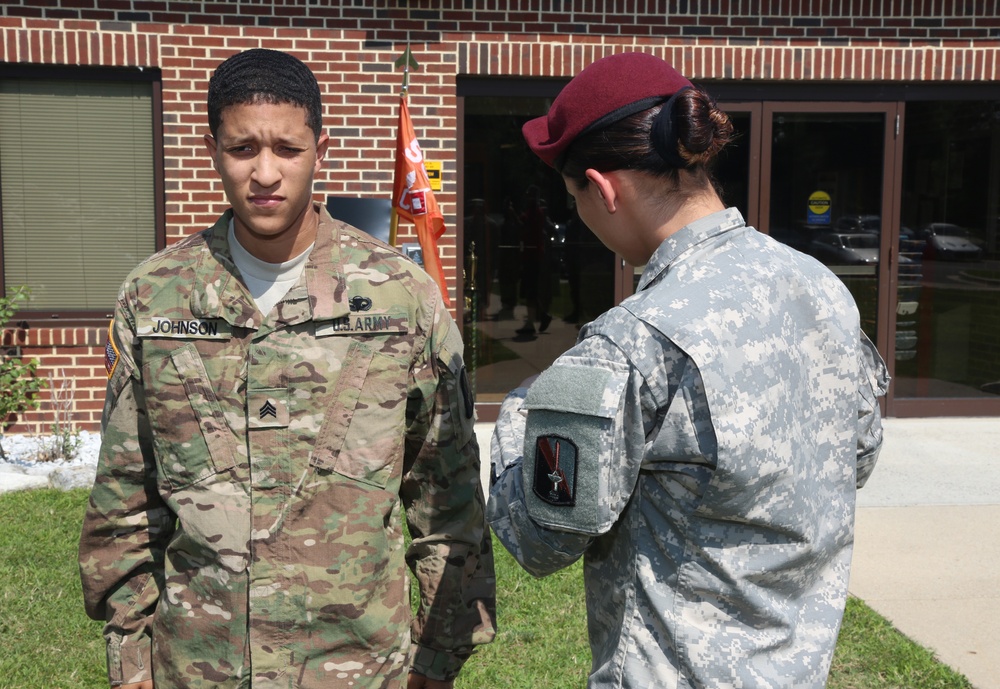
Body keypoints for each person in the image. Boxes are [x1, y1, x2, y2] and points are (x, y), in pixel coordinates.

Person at [79, 48, 495, 689]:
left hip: (355, 668)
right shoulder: (156, 296)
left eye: (288, 149)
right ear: (213, 148)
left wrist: (436, 663)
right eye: (243, 148)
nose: (265, 173)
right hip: (200, 666)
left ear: (320, 149)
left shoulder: (399, 296)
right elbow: (125, 498)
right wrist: (130, 663)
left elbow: (447, 497)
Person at [487, 52, 889, 688]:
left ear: (604, 187)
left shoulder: (633, 341)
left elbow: (538, 538)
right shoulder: (821, 289)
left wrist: (525, 411)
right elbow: (856, 459)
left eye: (575, 199)